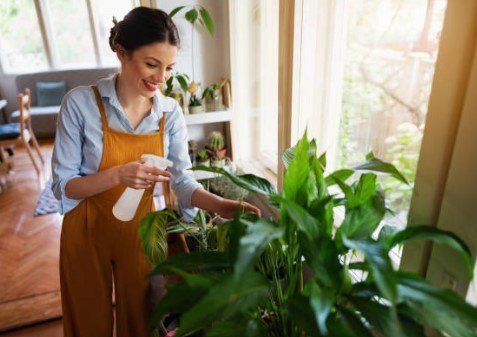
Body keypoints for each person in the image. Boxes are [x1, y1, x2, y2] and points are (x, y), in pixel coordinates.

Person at [51, 7, 260, 337]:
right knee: (89, 321)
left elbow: (182, 179)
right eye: (152, 64)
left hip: (140, 232)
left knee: (141, 319)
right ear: (122, 53)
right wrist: (118, 175)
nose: (161, 78)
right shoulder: (80, 104)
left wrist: (220, 205)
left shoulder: (169, 113)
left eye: (169, 67)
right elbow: (65, 187)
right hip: (85, 231)